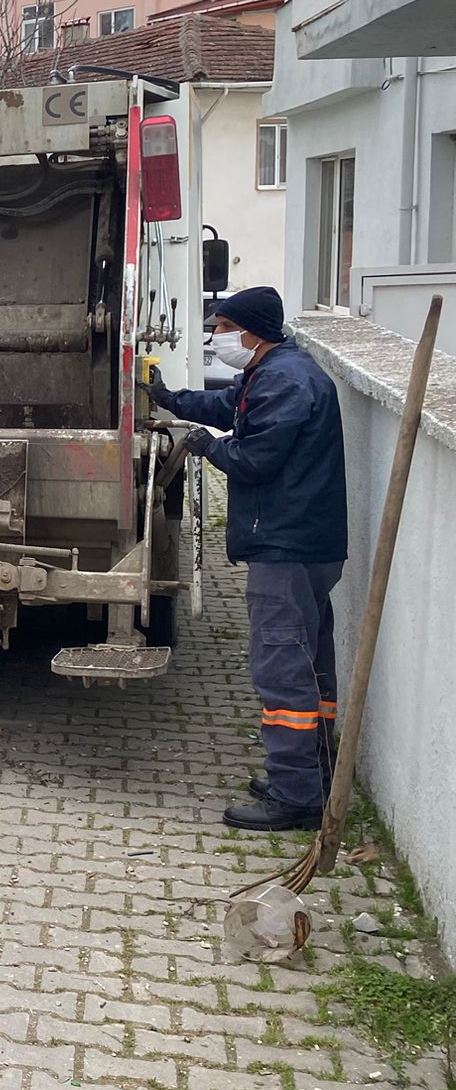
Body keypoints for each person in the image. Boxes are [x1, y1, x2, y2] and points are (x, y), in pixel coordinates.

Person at [147, 285, 347, 831]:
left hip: (287, 547)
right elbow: (225, 405)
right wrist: (167, 397)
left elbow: (254, 459)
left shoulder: (284, 382)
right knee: (310, 663)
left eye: (221, 328)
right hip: (307, 544)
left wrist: (207, 445)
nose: (216, 337)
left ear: (250, 331)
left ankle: (295, 796)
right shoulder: (276, 371)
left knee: (282, 669)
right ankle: (315, 776)